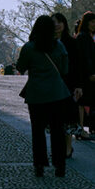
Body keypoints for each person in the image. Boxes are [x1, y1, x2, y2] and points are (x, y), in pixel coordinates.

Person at [16, 14, 71, 177]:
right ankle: (60, 165)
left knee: (38, 131)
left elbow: (21, 67)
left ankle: (39, 165)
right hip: (57, 94)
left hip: (36, 95)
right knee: (58, 131)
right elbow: (65, 69)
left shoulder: (29, 47)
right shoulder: (59, 46)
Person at [52, 11, 81, 157]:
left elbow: (78, 65)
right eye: (54, 22)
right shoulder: (47, 43)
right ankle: (58, 147)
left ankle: (68, 148)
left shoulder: (71, 42)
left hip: (68, 84)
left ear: (64, 24)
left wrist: (78, 85)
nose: (57, 25)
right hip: (52, 85)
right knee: (54, 119)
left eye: (59, 22)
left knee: (68, 118)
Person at [74, 10, 95, 140]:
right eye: (92, 22)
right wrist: (91, 73)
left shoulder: (86, 36)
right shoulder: (84, 37)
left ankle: (82, 128)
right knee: (81, 102)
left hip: (86, 74)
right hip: (84, 75)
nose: (94, 24)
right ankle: (80, 129)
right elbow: (85, 58)